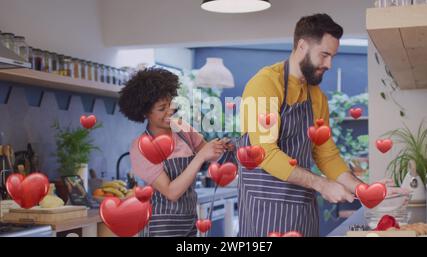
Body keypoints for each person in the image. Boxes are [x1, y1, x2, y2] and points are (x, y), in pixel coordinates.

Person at [237, 13, 404, 237]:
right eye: (324, 55)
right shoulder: (264, 84)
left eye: (332, 56)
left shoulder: (317, 97)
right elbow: (264, 153)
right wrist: (322, 185)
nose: (329, 64)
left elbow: (326, 156)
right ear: (302, 46)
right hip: (265, 214)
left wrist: (362, 189)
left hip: (302, 212)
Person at [118, 67, 233, 236]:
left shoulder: (181, 129)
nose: (169, 111)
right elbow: (171, 192)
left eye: (170, 104)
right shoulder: (141, 147)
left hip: (189, 219)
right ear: (144, 112)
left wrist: (221, 146)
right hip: (163, 225)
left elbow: (211, 155)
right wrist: (201, 156)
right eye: (161, 108)